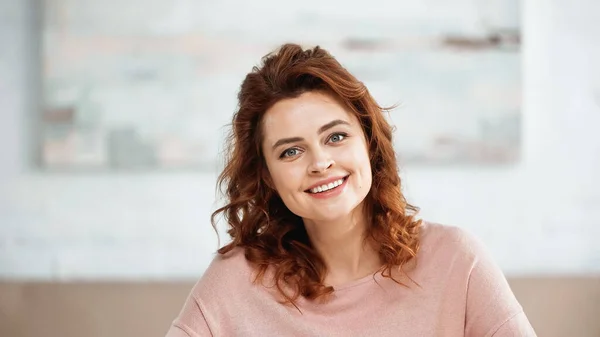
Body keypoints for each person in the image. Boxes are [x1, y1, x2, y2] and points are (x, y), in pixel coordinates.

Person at [165, 43, 536, 337]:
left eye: (336, 136)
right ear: (267, 176)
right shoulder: (237, 280)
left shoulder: (457, 262)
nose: (320, 162)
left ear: (369, 143)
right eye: (291, 151)